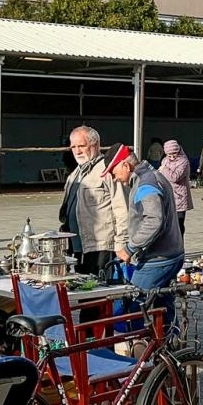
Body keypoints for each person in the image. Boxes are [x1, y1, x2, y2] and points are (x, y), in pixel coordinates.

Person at [106, 144, 185, 304]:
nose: (115, 179)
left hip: (157, 258)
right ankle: (169, 329)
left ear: (126, 165)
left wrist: (130, 248)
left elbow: (154, 220)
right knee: (162, 309)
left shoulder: (146, 184)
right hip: (171, 253)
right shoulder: (153, 176)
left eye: (114, 174)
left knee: (134, 306)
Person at [59, 127, 128, 278]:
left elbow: (123, 210)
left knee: (99, 292)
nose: (77, 151)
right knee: (82, 290)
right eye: (73, 147)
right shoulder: (75, 174)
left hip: (100, 246)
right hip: (76, 247)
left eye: (81, 146)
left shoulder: (108, 170)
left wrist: (122, 244)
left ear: (95, 145)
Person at [157, 139, 193, 238]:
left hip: (179, 197)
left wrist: (164, 169)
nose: (172, 156)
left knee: (178, 225)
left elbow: (175, 177)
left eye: (174, 153)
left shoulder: (183, 161)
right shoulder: (165, 160)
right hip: (167, 195)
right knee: (168, 226)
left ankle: (179, 246)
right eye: (169, 154)